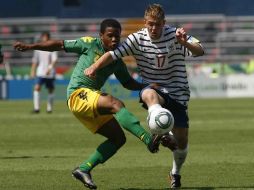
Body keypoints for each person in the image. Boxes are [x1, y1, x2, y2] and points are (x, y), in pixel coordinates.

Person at [14, 19, 160, 189]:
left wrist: (147, 86)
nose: (114, 40)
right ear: (101, 36)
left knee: (118, 139)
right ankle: (148, 139)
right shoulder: (89, 44)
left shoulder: (117, 60)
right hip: (78, 93)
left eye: (117, 37)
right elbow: (59, 44)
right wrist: (31, 47)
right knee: (115, 103)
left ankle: (83, 169)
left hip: (89, 101)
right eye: (110, 36)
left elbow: (127, 83)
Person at [84, 4, 205, 189]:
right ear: (145, 23)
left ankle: (175, 173)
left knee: (181, 143)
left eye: (157, 24)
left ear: (164, 23)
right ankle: (159, 128)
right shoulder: (137, 38)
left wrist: (185, 43)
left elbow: (200, 51)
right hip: (155, 88)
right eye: (150, 24)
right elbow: (113, 54)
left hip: (178, 92)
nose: (154, 28)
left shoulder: (175, 35)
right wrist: (94, 67)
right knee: (148, 93)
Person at [30, 32, 58, 113]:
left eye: (46, 37)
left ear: (48, 38)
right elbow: (35, 61)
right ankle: (36, 108)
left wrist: (49, 68)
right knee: (37, 87)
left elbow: (54, 60)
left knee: (50, 90)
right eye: (43, 37)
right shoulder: (38, 48)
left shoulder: (52, 48)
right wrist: (32, 71)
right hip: (40, 72)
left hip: (50, 73)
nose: (44, 38)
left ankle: (49, 109)